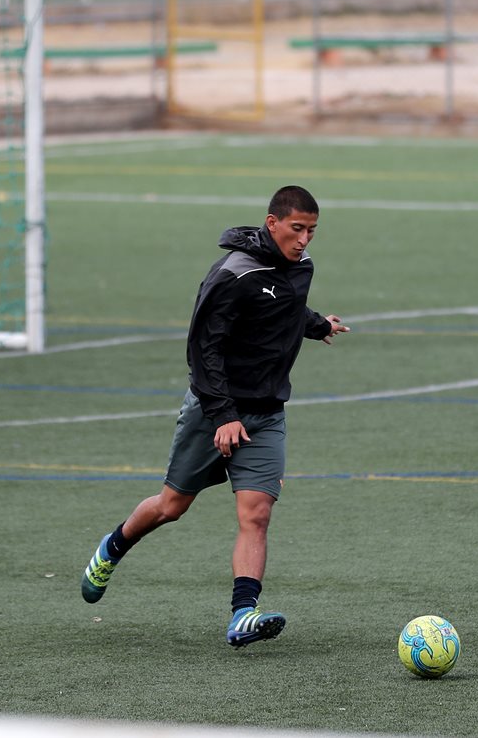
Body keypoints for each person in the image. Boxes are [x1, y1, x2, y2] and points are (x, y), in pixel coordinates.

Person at [80, 184, 349, 648]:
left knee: (257, 513)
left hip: (267, 413)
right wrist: (223, 414)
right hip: (215, 409)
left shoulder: (300, 267)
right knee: (172, 506)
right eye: (297, 228)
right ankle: (113, 547)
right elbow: (203, 350)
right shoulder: (233, 273)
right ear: (272, 223)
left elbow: (282, 307)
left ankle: (243, 614)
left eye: (312, 231)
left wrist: (317, 324)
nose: (304, 239)